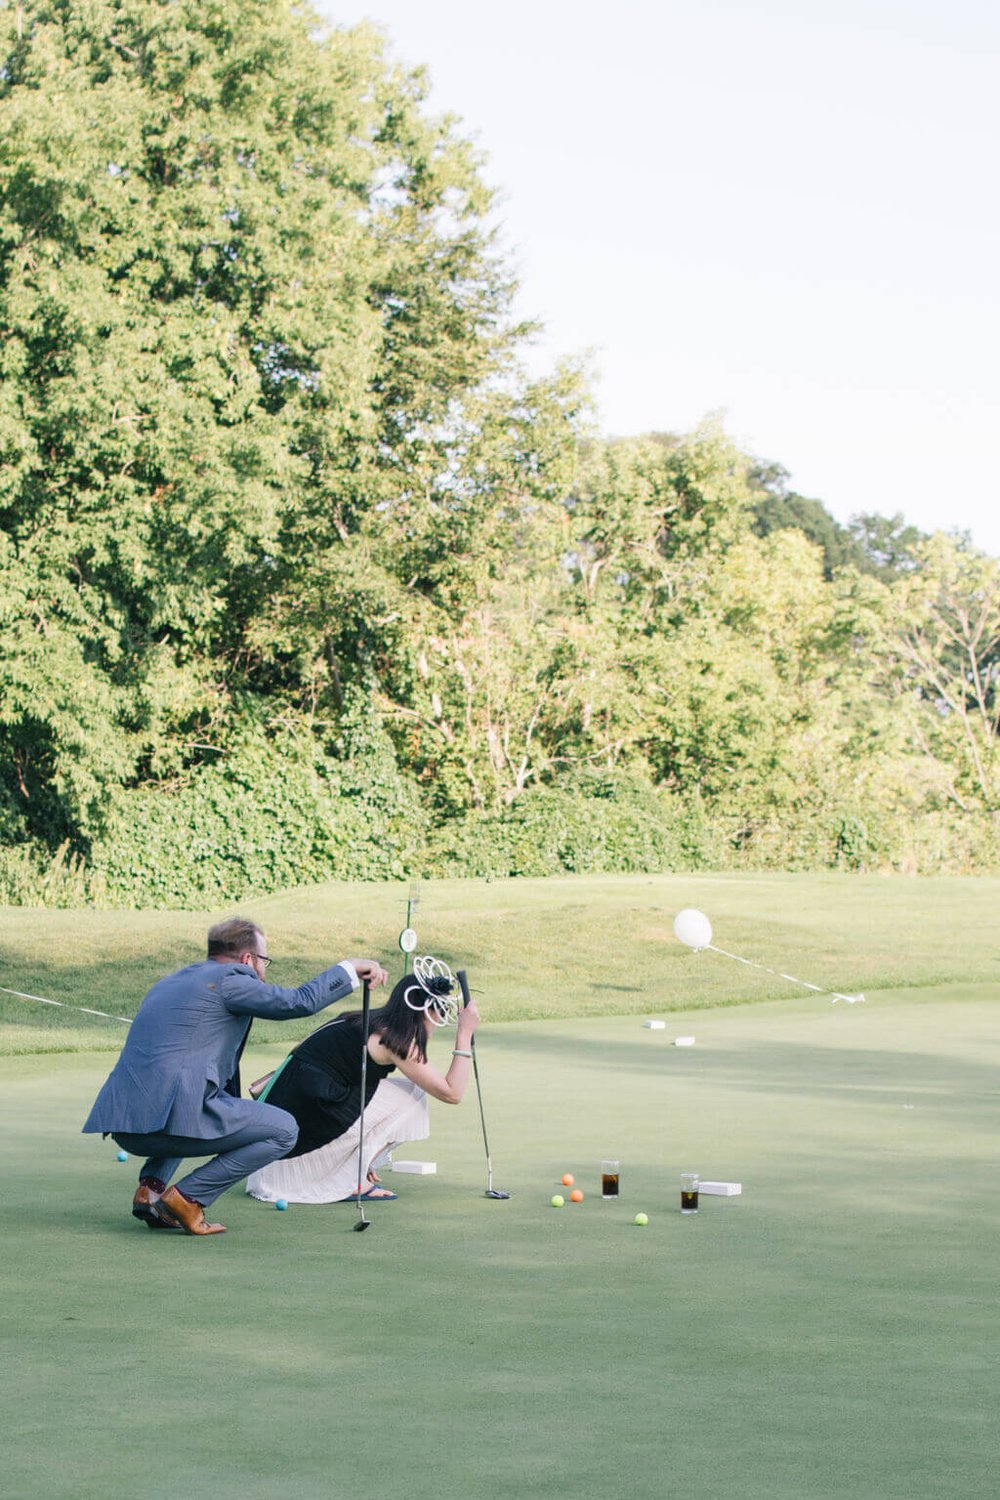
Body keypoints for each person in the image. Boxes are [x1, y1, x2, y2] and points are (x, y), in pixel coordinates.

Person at [82, 916, 388, 1235]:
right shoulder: (234, 978)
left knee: (201, 1105)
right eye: (264, 961)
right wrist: (350, 968)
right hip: (169, 1119)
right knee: (284, 1130)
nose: (264, 970)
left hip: (126, 1121)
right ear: (247, 959)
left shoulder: (174, 981)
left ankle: (151, 1190)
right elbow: (298, 1002)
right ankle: (188, 1198)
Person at [245, 968, 480, 1206]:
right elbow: (452, 1092)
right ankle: (352, 1179)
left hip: (286, 1123)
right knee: (413, 1096)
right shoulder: (397, 1041)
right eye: (439, 1011)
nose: (439, 1020)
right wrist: (464, 1033)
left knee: (402, 1090)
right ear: (426, 1010)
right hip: (303, 1128)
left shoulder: (360, 1018)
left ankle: (357, 1167)